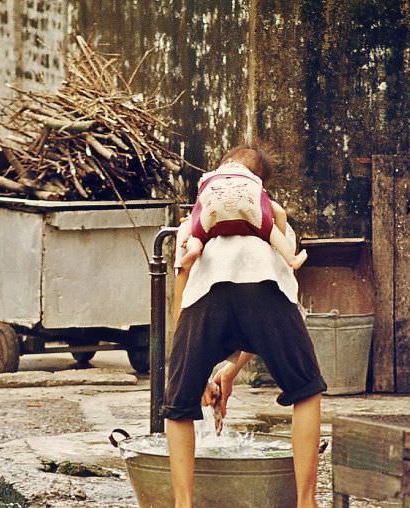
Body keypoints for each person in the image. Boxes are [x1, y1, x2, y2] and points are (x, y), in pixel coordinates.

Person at [164, 143, 326, 508]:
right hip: (266, 288)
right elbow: (271, 314)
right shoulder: (273, 220)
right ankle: (306, 502)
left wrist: (194, 367)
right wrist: (234, 368)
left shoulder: (194, 220)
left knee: (178, 406)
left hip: (205, 295)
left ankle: (182, 504)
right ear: (260, 186)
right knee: (306, 389)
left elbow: (184, 284)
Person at [180, 147, 308, 270]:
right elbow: (280, 213)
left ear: (228, 162)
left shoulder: (209, 177)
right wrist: (277, 236)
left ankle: (194, 248)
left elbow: (200, 205)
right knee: (271, 231)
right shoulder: (253, 182)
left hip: (212, 210)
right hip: (248, 212)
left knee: (196, 234)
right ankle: (292, 260)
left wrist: (192, 220)